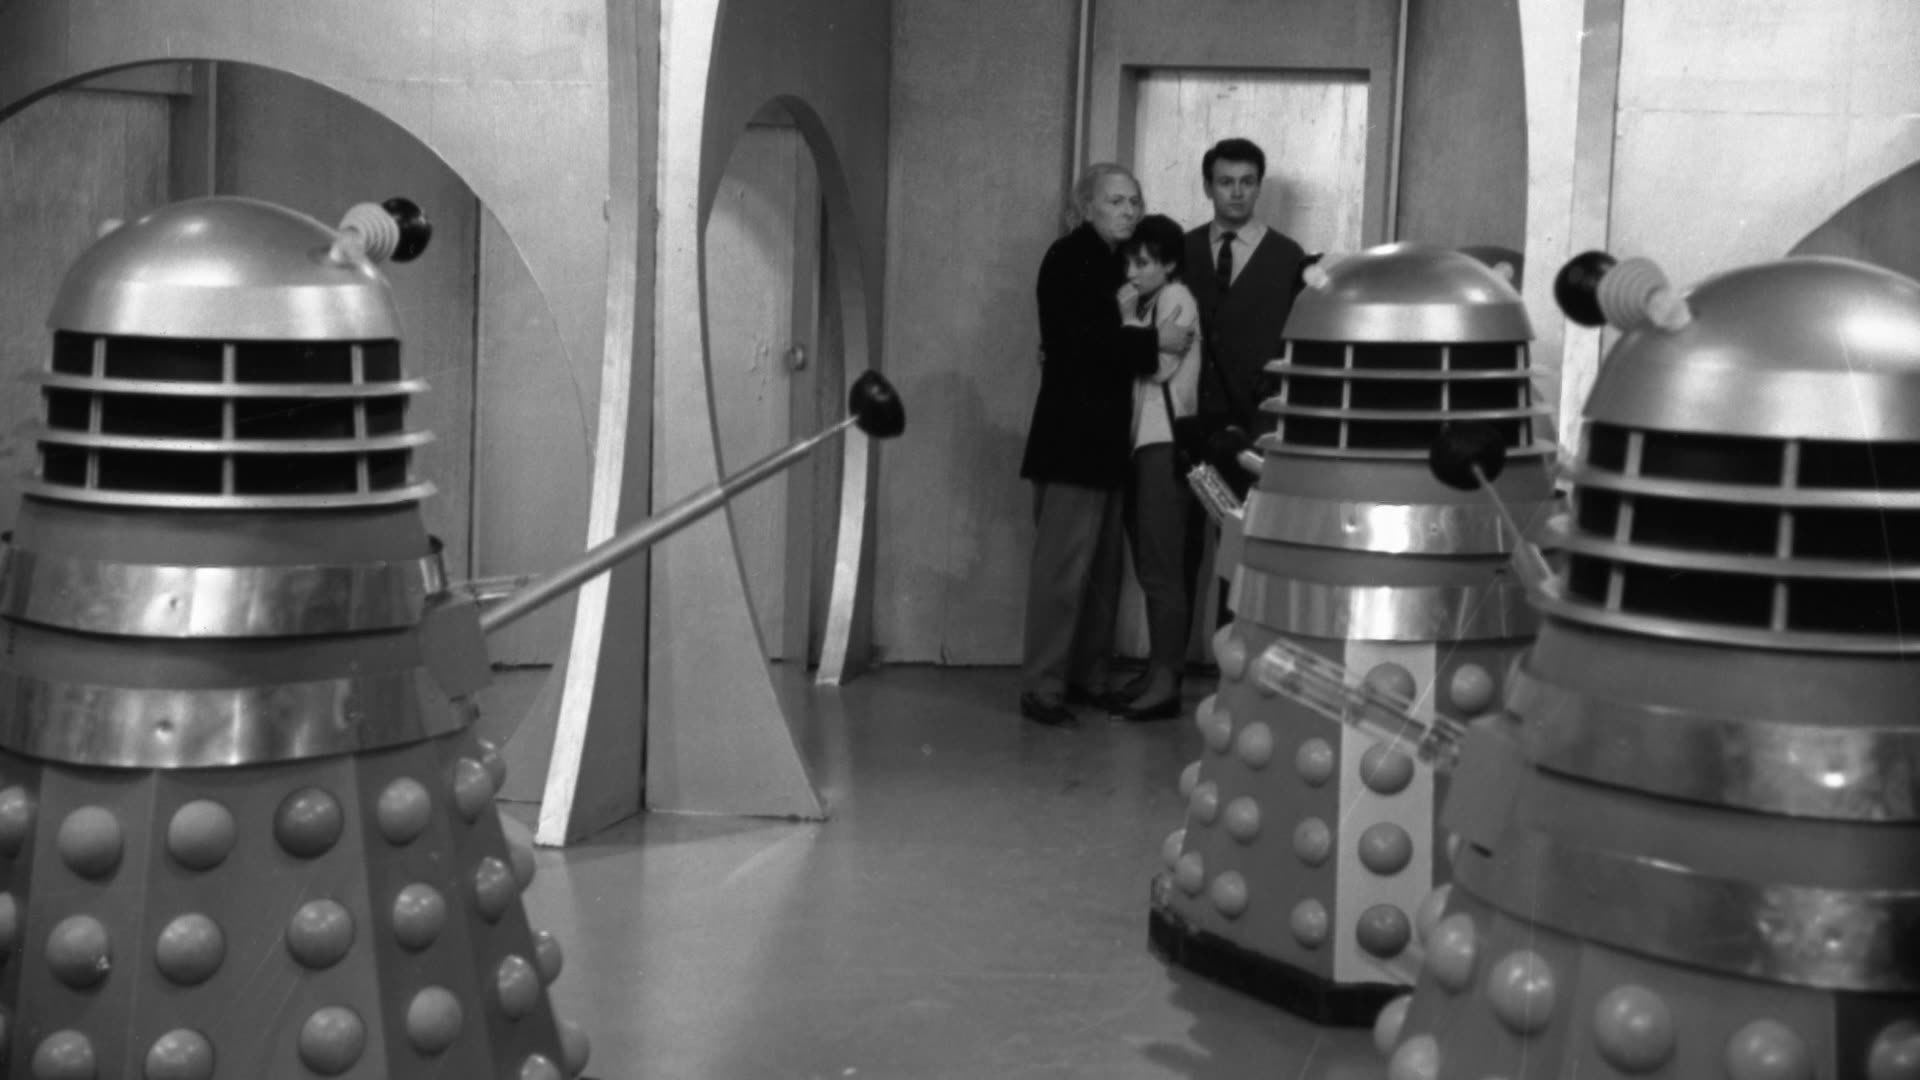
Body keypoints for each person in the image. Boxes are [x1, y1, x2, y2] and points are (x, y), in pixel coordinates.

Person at [1018, 164, 1194, 727]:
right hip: (1072, 441)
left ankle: (1085, 678)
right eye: (1115, 201)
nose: (1128, 211)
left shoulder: (1122, 264)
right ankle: (1043, 688)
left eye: (1134, 201)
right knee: (1062, 571)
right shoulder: (1067, 257)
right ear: (1085, 206)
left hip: (1110, 443)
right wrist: (1155, 340)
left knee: (1101, 573)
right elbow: (1079, 344)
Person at [1112, 214, 1200, 720]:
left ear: (1168, 264)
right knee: (1151, 564)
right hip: (1144, 445)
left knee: (1162, 566)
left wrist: (1126, 323)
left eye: (1143, 262)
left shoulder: (1176, 297)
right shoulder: (1153, 303)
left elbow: (1160, 365)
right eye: (1130, 261)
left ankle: (1166, 679)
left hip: (1163, 445)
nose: (1133, 271)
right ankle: (1157, 670)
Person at [1184, 137, 1310, 459]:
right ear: (1208, 188)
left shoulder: (1287, 256)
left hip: (1258, 422)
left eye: (1247, 182)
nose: (1237, 192)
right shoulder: (1183, 249)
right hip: (1190, 418)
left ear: (1258, 188)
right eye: (1226, 182)